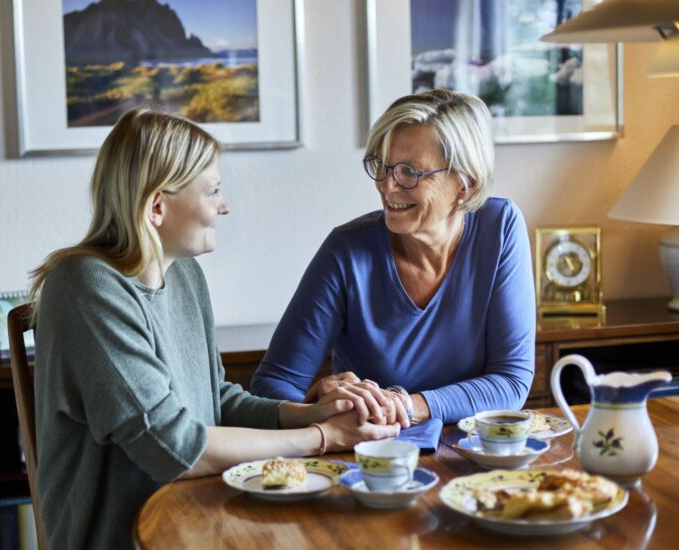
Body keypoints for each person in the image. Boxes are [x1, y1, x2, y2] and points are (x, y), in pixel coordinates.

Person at [28, 108, 400, 549]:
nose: (224, 206)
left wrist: (311, 413)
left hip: (199, 519)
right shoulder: (86, 287)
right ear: (158, 206)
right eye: (214, 191)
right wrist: (323, 437)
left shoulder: (183, 273)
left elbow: (216, 399)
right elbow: (174, 448)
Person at [250, 89, 536, 426]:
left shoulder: (500, 227)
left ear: (465, 184)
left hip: (469, 453)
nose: (387, 186)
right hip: (371, 460)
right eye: (382, 167)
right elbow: (270, 387)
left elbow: (511, 381)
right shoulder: (346, 251)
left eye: (409, 173)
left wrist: (406, 405)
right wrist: (318, 405)